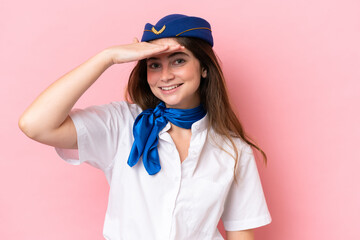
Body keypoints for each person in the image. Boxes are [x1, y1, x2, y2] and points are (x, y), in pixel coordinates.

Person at [19, 14, 271, 240]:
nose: (165, 75)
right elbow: (35, 125)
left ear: (204, 68)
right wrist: (107, 57)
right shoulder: (121, 124)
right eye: (154, 64)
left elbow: (241, 232)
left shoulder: (234, 150)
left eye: (178, 61)